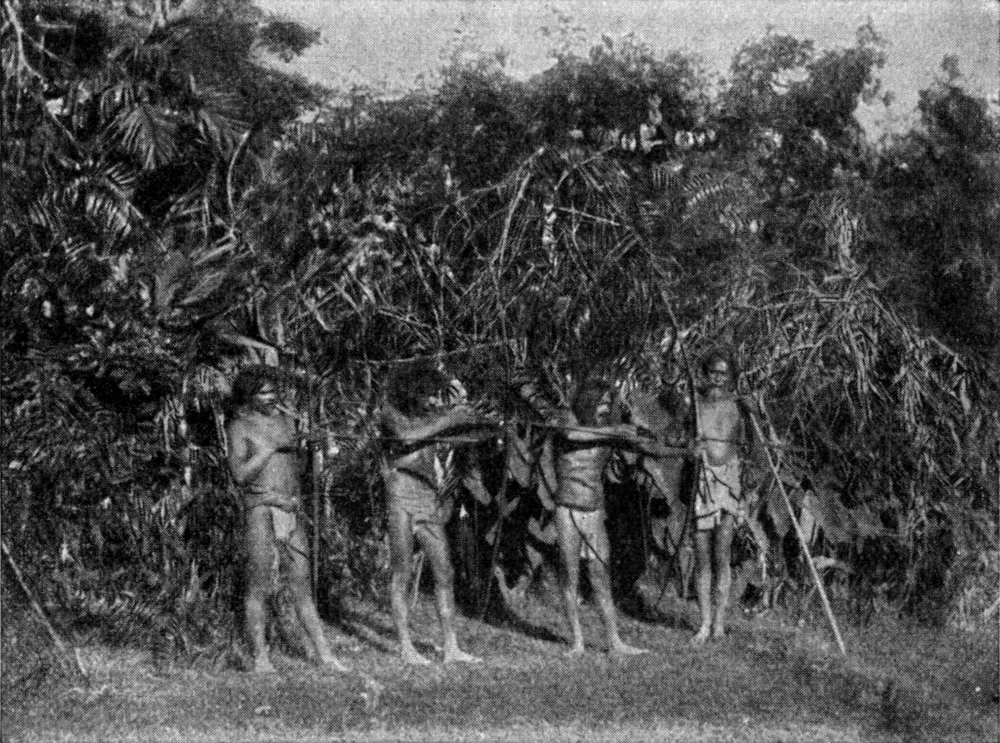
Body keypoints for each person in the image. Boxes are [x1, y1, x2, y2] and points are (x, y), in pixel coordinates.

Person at [225, 367, 348, 674]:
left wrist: (312, 450)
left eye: (273, 391)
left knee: (302, 585)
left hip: (291, 509)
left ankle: (325, 655)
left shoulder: (286, 421)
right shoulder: (239, 426)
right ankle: (261, 659)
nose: (271, 397)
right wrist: (268, 448)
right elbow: (239, 475)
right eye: (263, 392)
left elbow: (298, 470)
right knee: (259, 585)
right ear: (249, 396)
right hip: (261, 509)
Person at [380, 361, 494, 665]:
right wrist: (450, 418)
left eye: (436, 394)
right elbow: (407, 438)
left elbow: (471, 431)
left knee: (445, 571)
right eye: (428, 394)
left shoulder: (433, 417)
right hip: (401, 493)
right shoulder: (391, 412)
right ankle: (406, 647)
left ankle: (451, 647)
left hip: (427, 496)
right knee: (402, 571)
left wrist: (470, 415)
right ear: (412, 391)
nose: (433, 400)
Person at [550, 376, 671, 656]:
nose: (604, 409)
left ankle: (614, 641)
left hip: (594, 511)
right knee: (570, 577)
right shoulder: (567, 418)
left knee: (600, 577)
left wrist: (686, 450)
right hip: (567, 511)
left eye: (608, 404)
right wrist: (616, 431)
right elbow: (572, 435)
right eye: (599, 403)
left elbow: (651, 449)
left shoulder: (610, 432)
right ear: (587, 402)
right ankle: (577, 643)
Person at [690, 349, 753, 646]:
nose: (717, 378)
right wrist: (691, 447)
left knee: (722, 553)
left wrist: (753, 413)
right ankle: (704, 623)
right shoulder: (695, 405)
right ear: (705, 373)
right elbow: (678, 438)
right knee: (701, 554)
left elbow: (752, 448)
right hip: (702, 480)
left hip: (728, 480)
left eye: (723, 374)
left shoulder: (738, 407)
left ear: (730, 377)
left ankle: (718, 623)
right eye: (712, 372)